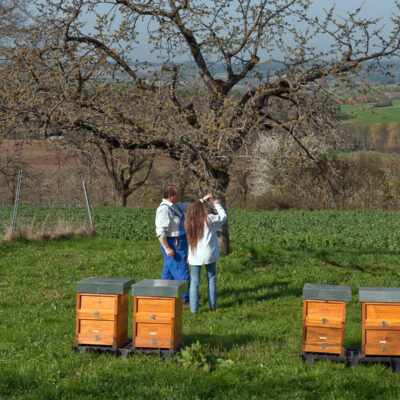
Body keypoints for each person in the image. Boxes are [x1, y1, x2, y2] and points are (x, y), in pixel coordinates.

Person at [155, 185, 211, 305]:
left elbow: (188, 206)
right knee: (182, 271)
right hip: (172, 244)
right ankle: (185, 300)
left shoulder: (175, 206)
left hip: (179, 242)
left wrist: (203, 200)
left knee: (169, 272)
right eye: (177, 194)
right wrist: (167, 248)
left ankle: (165, 296)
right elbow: (160, 232)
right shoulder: (164, 209)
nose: (179, 196)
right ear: (171, 197)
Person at [184, 197, 227, 313]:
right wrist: (217, 205)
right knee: (211, 278)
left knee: (194, 282)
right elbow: (223, 217)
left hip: (195, 255)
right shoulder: (209, 219)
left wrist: (202, 200)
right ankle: (212, 306)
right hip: (209, 253)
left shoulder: (188, 222)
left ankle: (193, 309)